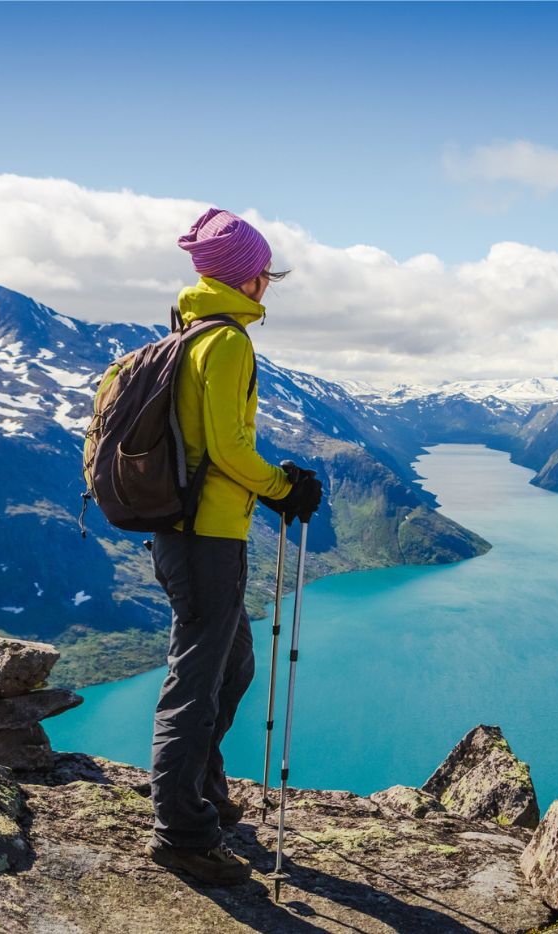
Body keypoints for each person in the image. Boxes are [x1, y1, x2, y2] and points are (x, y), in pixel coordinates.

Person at [146, 208, 322, 885]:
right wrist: (281, 486)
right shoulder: (225, 343)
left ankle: (201, 791)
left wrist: (269, 488)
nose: (268, 285)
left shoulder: (188, 334)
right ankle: (180, 831)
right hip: (205, 537)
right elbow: (227, 448)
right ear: (248, 277)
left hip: (190, 534)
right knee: (197, 679)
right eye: (265, 274)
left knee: (231, 667)